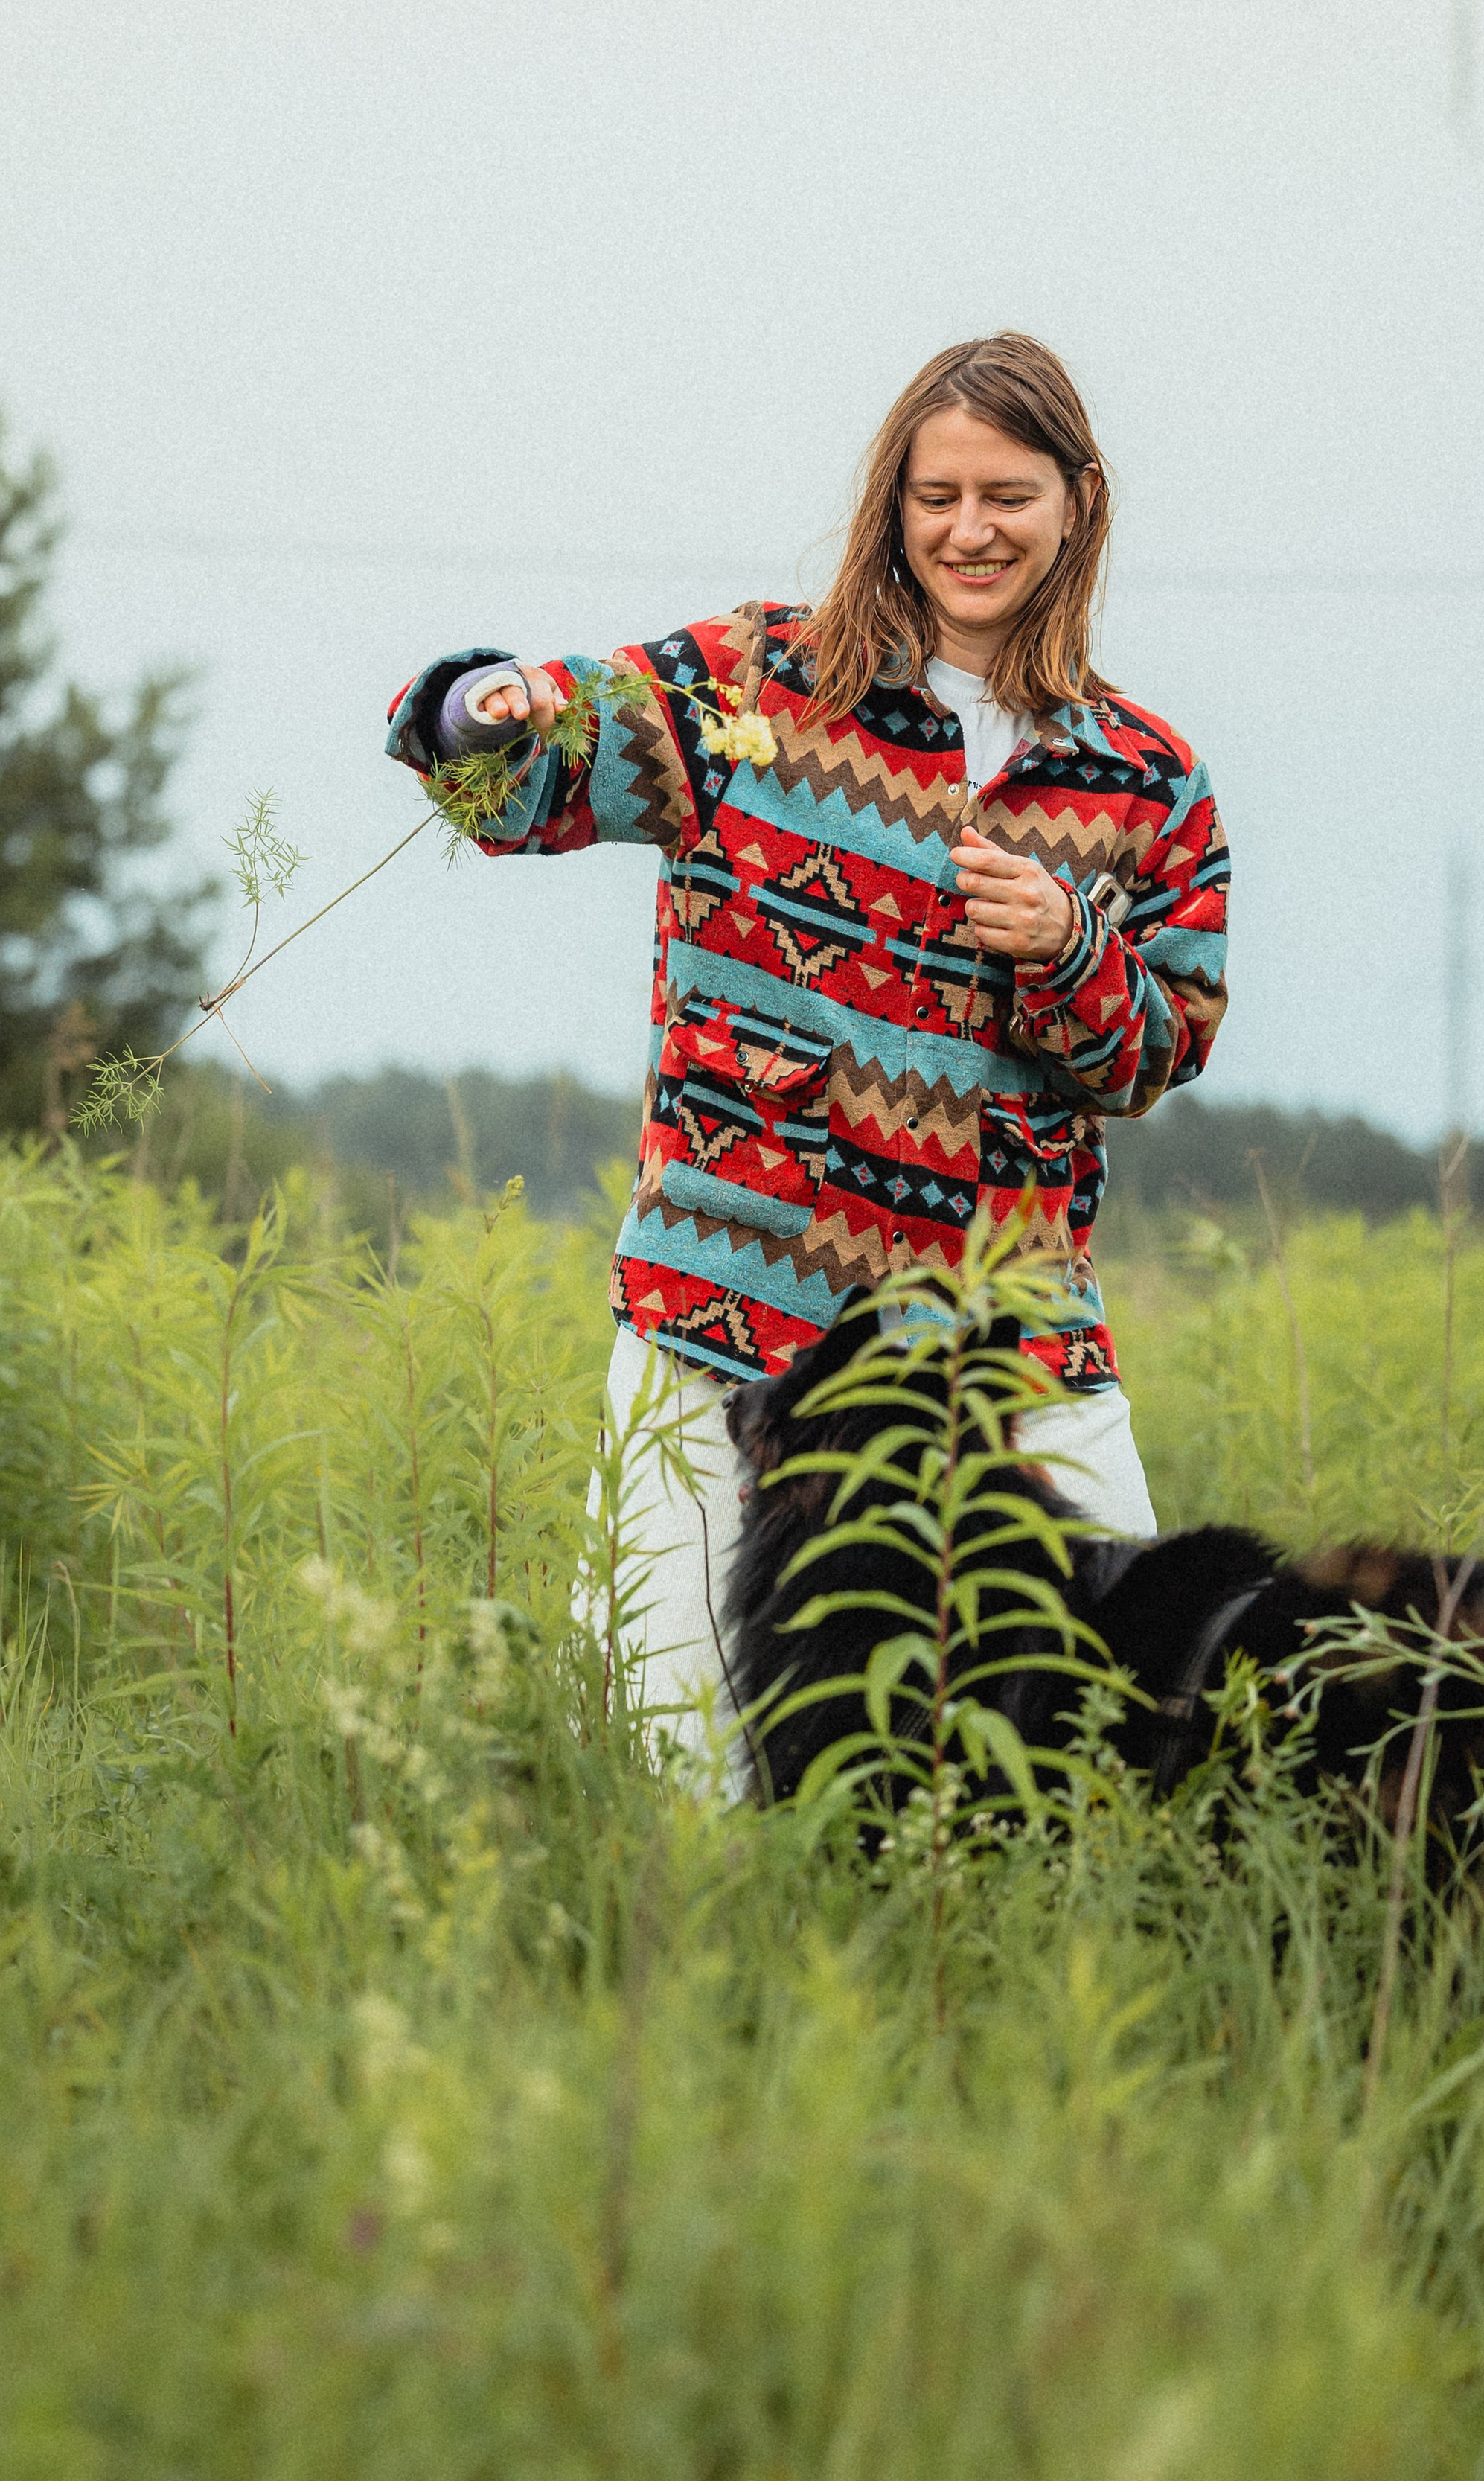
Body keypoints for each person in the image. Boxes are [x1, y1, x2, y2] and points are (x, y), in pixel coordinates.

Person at [386, 333, 1229, 1789]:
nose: (968, 529)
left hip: (1004, 1339)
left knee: (1105, 1731)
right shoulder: (755, 691)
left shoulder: (1144, 780)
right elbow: (517, 784)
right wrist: (486, 706)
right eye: (936, 494)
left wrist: (1068, 944)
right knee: (678, 1753)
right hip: (731, 1304)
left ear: (1077, 503)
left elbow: (1157, 1049)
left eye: (1006, 496)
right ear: (891, 506)